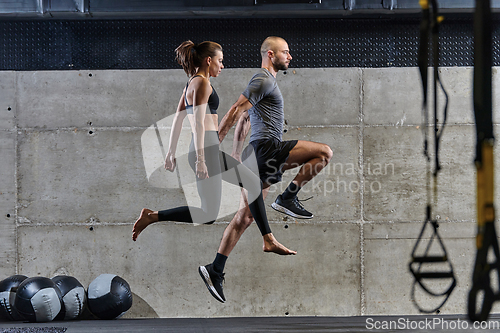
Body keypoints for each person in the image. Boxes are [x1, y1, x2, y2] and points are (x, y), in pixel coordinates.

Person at [132, 40, 294, 303]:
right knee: (252, 183)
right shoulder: (202, 83)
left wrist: (171, 152)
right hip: (204, 152)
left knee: (207, 213)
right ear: (208, 61)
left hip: (202, 152)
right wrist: (200, 160)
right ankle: (268, 239)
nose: (222, 64)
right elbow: (195, 122)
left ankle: (153, 216)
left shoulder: (191, 84)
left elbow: (177, 117)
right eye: (220, 60)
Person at [200, 36, 333, 302]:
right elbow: (236, 109)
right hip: (266, 150)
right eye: (286, 52)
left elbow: (246, 118)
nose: (290, 57)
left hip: (257, 153)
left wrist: (236, 152)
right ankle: (287, 198)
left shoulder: (264, 83)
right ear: (271, 54)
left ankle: (215, 269)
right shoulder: (263, 79)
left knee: (244, 218)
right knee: (324, 152)